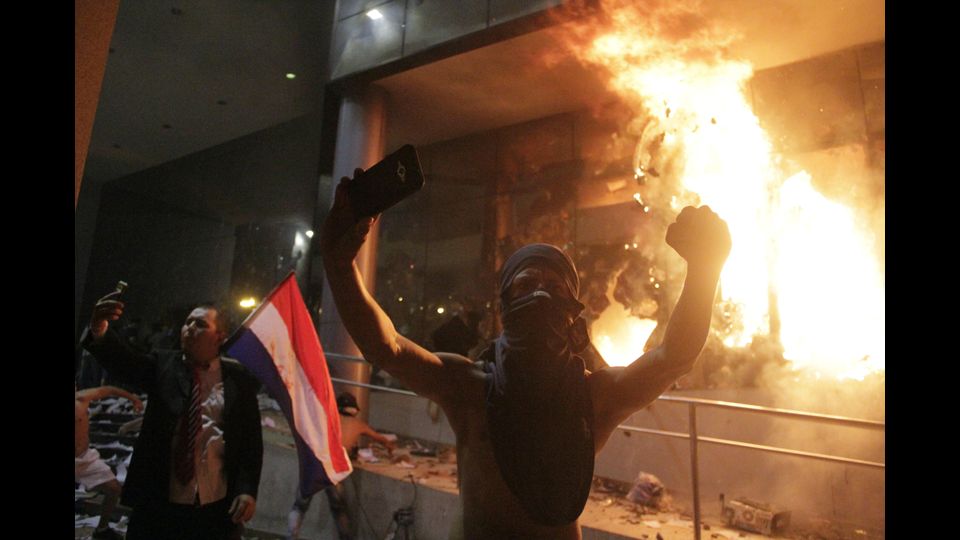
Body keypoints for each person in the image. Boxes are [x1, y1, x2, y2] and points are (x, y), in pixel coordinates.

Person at [321, 168, 731, 539]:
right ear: (504, 307)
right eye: (526, 285)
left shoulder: (593, 397)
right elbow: (387, 348)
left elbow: (673, 357)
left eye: (554, 288)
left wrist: (705, 270)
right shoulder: (468, 388)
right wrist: (340, 265)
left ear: (572, 315)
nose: (540, 295)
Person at [81, 298, 264, 540]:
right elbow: (126, 362)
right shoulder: (163, 365)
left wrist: (247, 490)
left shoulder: (238, 382)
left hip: (213, 508)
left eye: (200, 324)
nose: (189, 328)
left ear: (219, 336)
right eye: (188, 322)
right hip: (158, 505)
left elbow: (250, 444)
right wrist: (98, 328)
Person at [287, 392, 396, 540]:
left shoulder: (326, 419)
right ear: (355, 410)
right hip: (333, 469)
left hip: (315, 465)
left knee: (300, 506)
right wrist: (389, 447)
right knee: (339, 509)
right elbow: (381, 439)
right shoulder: (358, 425)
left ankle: (291, 536)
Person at [75, 384, 144, 540]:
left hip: (85, 458)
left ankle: (102, 529)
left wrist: (133, 399)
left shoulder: (82, 398)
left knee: (113, 489)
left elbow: (109, 390)